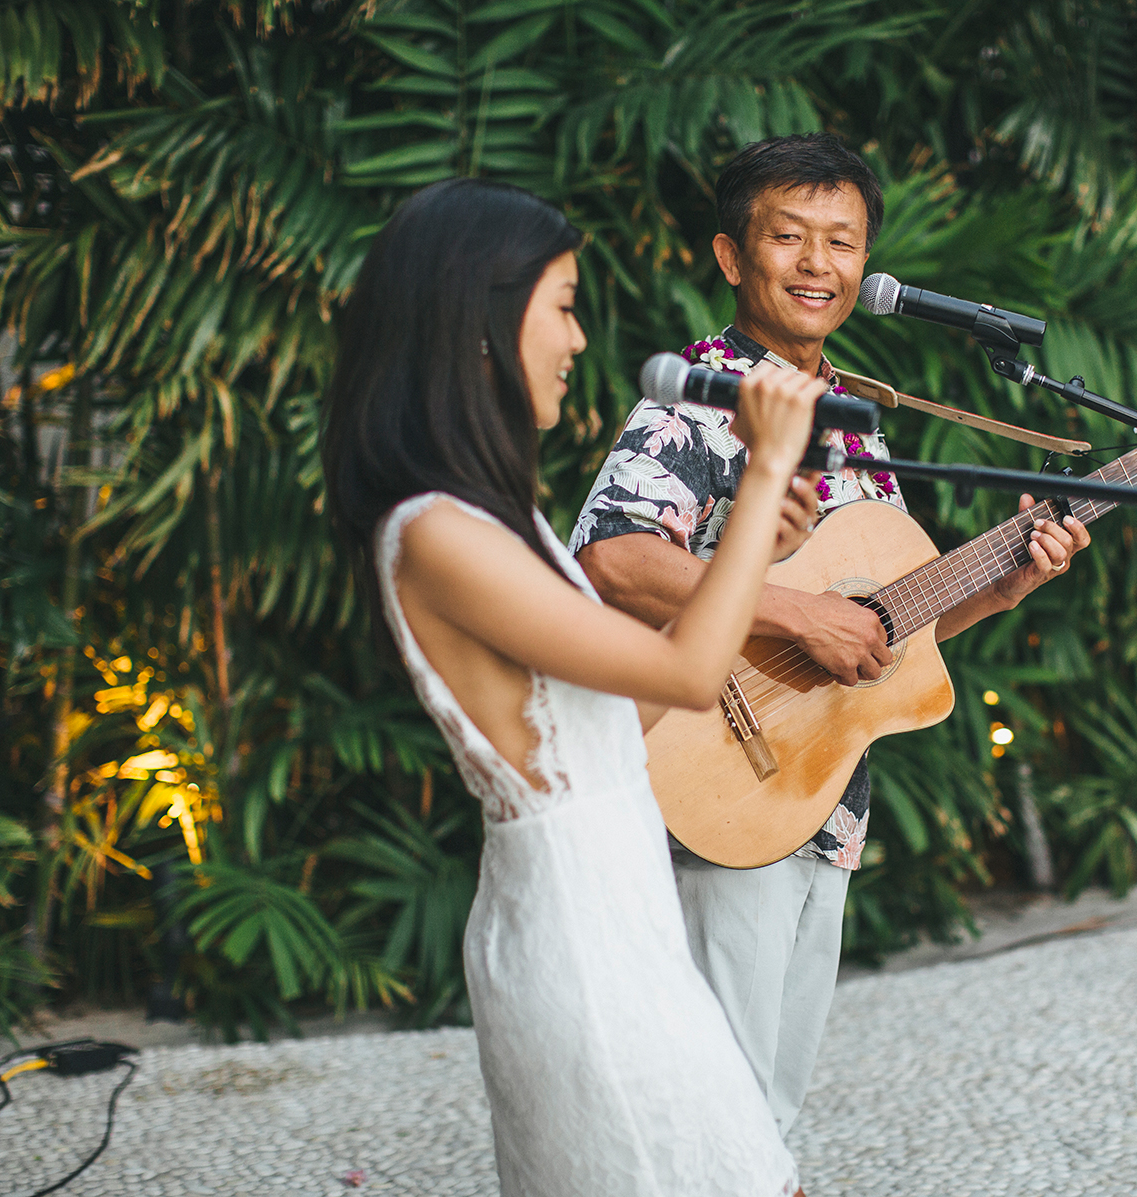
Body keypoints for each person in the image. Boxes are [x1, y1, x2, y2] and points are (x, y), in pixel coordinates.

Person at [571, 133, 1092, 1139]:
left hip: (816, 791)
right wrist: (790, 611)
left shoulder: (854, 417)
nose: (818, 264)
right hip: (716, 779)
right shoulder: (697, 396)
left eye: (842, 242)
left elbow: (883, 624)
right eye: (789, 237)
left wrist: (1005, 583)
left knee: (765, 1101)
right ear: (732, 257)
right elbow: (613, 560)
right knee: (706, 1104)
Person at [322, 177, 824, 1197]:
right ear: (479, 322)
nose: (579, 339)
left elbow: (620, 716)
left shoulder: (492, 522)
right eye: (561, 304)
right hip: (578, 952)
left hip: (618, 925)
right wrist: (764, 467)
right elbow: (687, 678)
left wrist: (743, 557)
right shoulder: (433, 533)